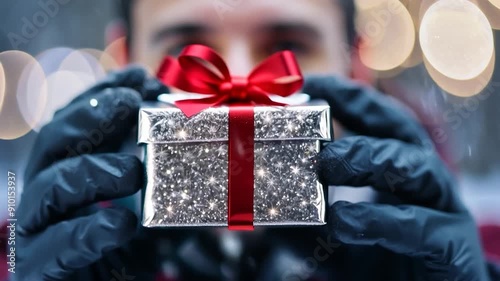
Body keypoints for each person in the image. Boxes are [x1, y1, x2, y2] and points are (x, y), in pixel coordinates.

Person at [15, 0, 500, 280]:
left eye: (287, 48)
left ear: (355, 69)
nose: (241, 81)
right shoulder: (25, 253)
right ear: (125, 67)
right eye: (188, 49)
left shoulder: (472, 251)